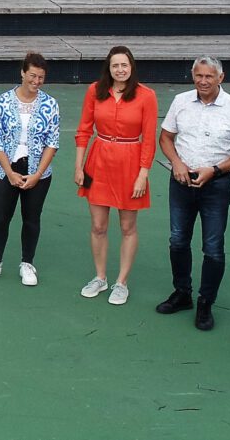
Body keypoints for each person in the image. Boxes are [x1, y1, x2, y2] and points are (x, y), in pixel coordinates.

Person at [156, 55, 230, 331]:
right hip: (181, 181)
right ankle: (182, 293)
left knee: (212, 247)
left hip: (216, 184)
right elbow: (165, 137)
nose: (203, 81)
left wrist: (216, 169)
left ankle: (205, 303)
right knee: (177, 240)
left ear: (220, 78)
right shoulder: (181, 101)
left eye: (208, 76)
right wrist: (176, 163)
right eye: (198, 76)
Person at [73, 46, 158, 307]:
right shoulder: (94, 91)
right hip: (98, 162)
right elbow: (84, 130)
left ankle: (121, 282)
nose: (120, 70)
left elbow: (149, 139)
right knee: (98, 225)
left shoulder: (147, 96)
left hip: (130, 164)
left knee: (127, 226)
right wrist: (79, 167)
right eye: (115, 65)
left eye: (124, 65)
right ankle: (100, 277)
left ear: (131, 67)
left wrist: (143, 174)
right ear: (108, 68)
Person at [0, 52, 62, 287]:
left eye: (41, 78)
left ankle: (28, 263)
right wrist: (9, 172)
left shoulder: (50, 104)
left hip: (38, 171)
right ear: (23, 73)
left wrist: (37, 175)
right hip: (6, 169)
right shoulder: (3, 101)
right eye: (33, 76)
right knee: (1, 216)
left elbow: (52, 142)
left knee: (32, 218)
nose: (36, 82)